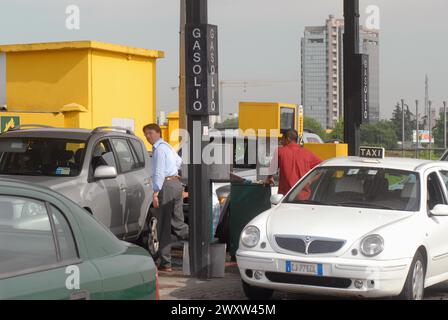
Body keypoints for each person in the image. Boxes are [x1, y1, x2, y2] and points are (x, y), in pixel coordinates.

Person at [143, 123, 189, 272]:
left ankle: (165, 263)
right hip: (176, 183)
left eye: (150, 133)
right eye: (146, 134)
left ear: (158, 133)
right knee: (178, 222)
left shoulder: (159, 150)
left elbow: (158, 172)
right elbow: (179, 161)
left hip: (166, 185)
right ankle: (198, 240)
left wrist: (155, 192)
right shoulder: (168, 147)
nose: (148, 137)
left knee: (163, 225)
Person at [265, 129, 322, 195]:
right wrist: (310, 180)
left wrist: (269, 178)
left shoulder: (280, 151)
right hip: (304, 195)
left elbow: (272, 170)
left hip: (286, 196)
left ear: (288, 139)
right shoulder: (307, 153)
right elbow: (323, 167)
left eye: (282, 139)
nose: (281, 141)